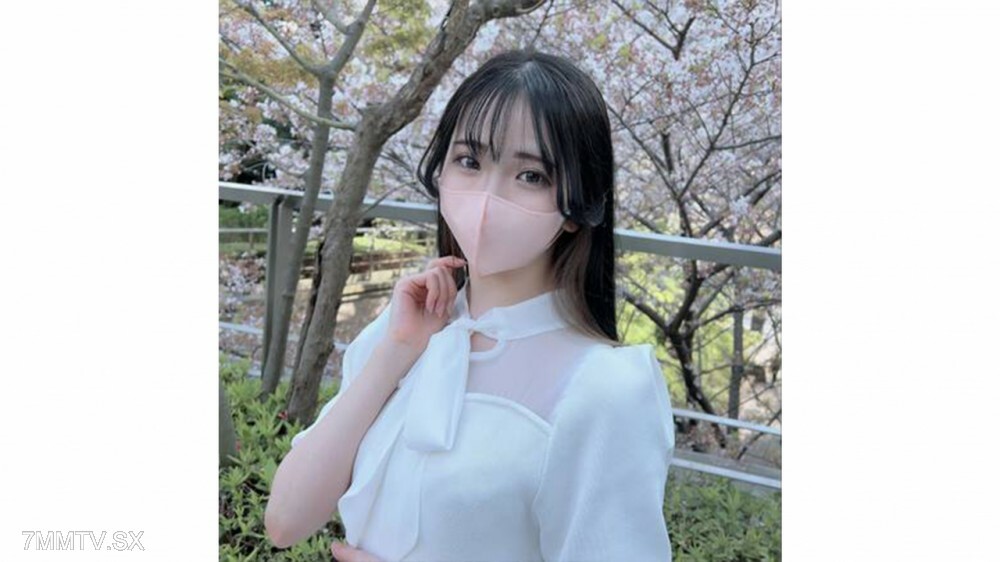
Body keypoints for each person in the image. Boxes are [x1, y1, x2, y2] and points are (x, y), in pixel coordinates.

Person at [265, 48, 677, 562]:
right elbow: (286, 521)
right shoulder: (401, 332)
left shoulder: (605, 387)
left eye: (532, 175)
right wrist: (395, 353)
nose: (487, 196)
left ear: (577, 206)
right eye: (469, 161)